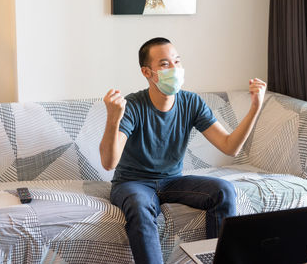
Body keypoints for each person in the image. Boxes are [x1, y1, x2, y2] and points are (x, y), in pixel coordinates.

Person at [99, 37, 267, 264]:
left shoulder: (191, 102)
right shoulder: (133, 105)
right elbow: (109, 163)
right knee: (140, 206)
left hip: (172, 182)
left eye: (177, 62)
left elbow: (230, 147)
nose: (175, 69)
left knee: (224, 190)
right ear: (147, 72)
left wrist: (255, 107)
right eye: (165, 64)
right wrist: (113, 118)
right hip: (132, 183)